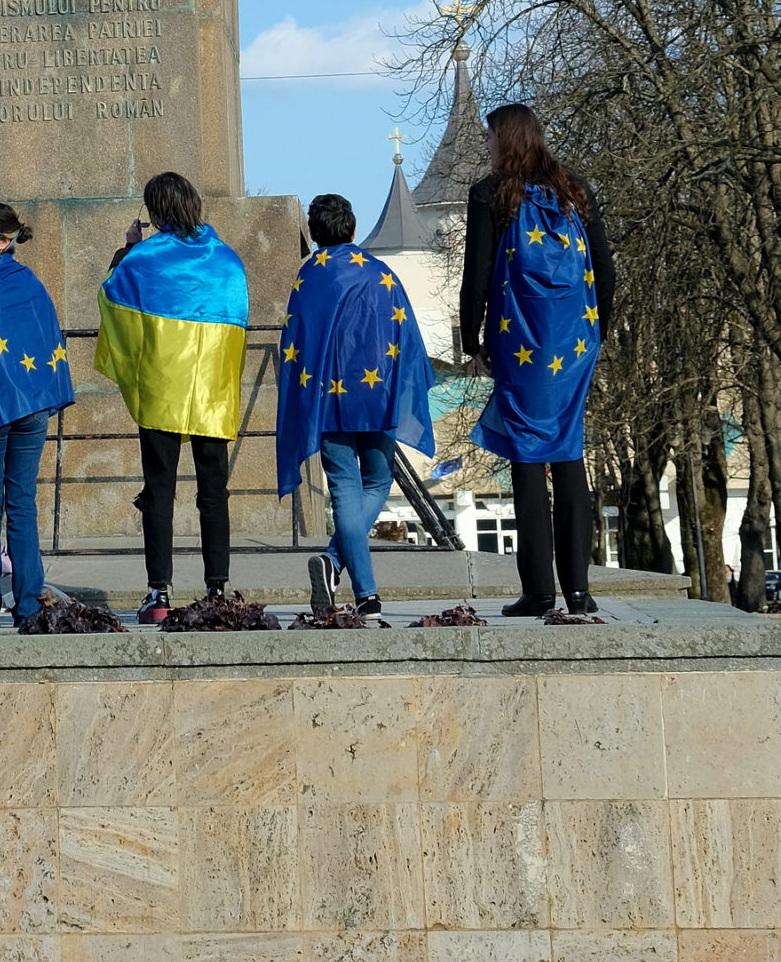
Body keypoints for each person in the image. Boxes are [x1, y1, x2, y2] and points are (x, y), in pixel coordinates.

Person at [460, 102, 616, 617]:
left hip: (518, 341)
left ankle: (539, 591)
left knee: (527, 458)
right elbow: (604, 270)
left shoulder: (490, 194)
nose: (486, 146)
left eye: (489, 138)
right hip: (573, 344)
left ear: (503, 139)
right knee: (569, 453)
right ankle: (579, 591)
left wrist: (471, 339)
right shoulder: (576, 190)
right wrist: (597, 334)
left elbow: (478, 274)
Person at [95, 169, 248, 625]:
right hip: (212, 391)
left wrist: (126, 248)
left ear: (156, 211)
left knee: (159, 491)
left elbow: (111, 295)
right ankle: (216, 589)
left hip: (162, 388)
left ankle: (158, 593)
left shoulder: (143, 258)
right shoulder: (228, 260)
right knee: (213, 491)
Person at [276, 194, 436, 618]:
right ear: (352, 228)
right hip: (378, 394)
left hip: (328, 397)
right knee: (378, 482)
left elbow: (296, 343)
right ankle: (337, 568)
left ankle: (362, 590)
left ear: (314, 234)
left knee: (344, 488)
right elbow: (406, 339)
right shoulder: (380, 273)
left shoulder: (308, 276)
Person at [0, 203, 74, 628]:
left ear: (4, 240)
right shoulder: (30, 283)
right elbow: (46, 338)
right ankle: (28, 604)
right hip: (33, 405)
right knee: (22, 504)